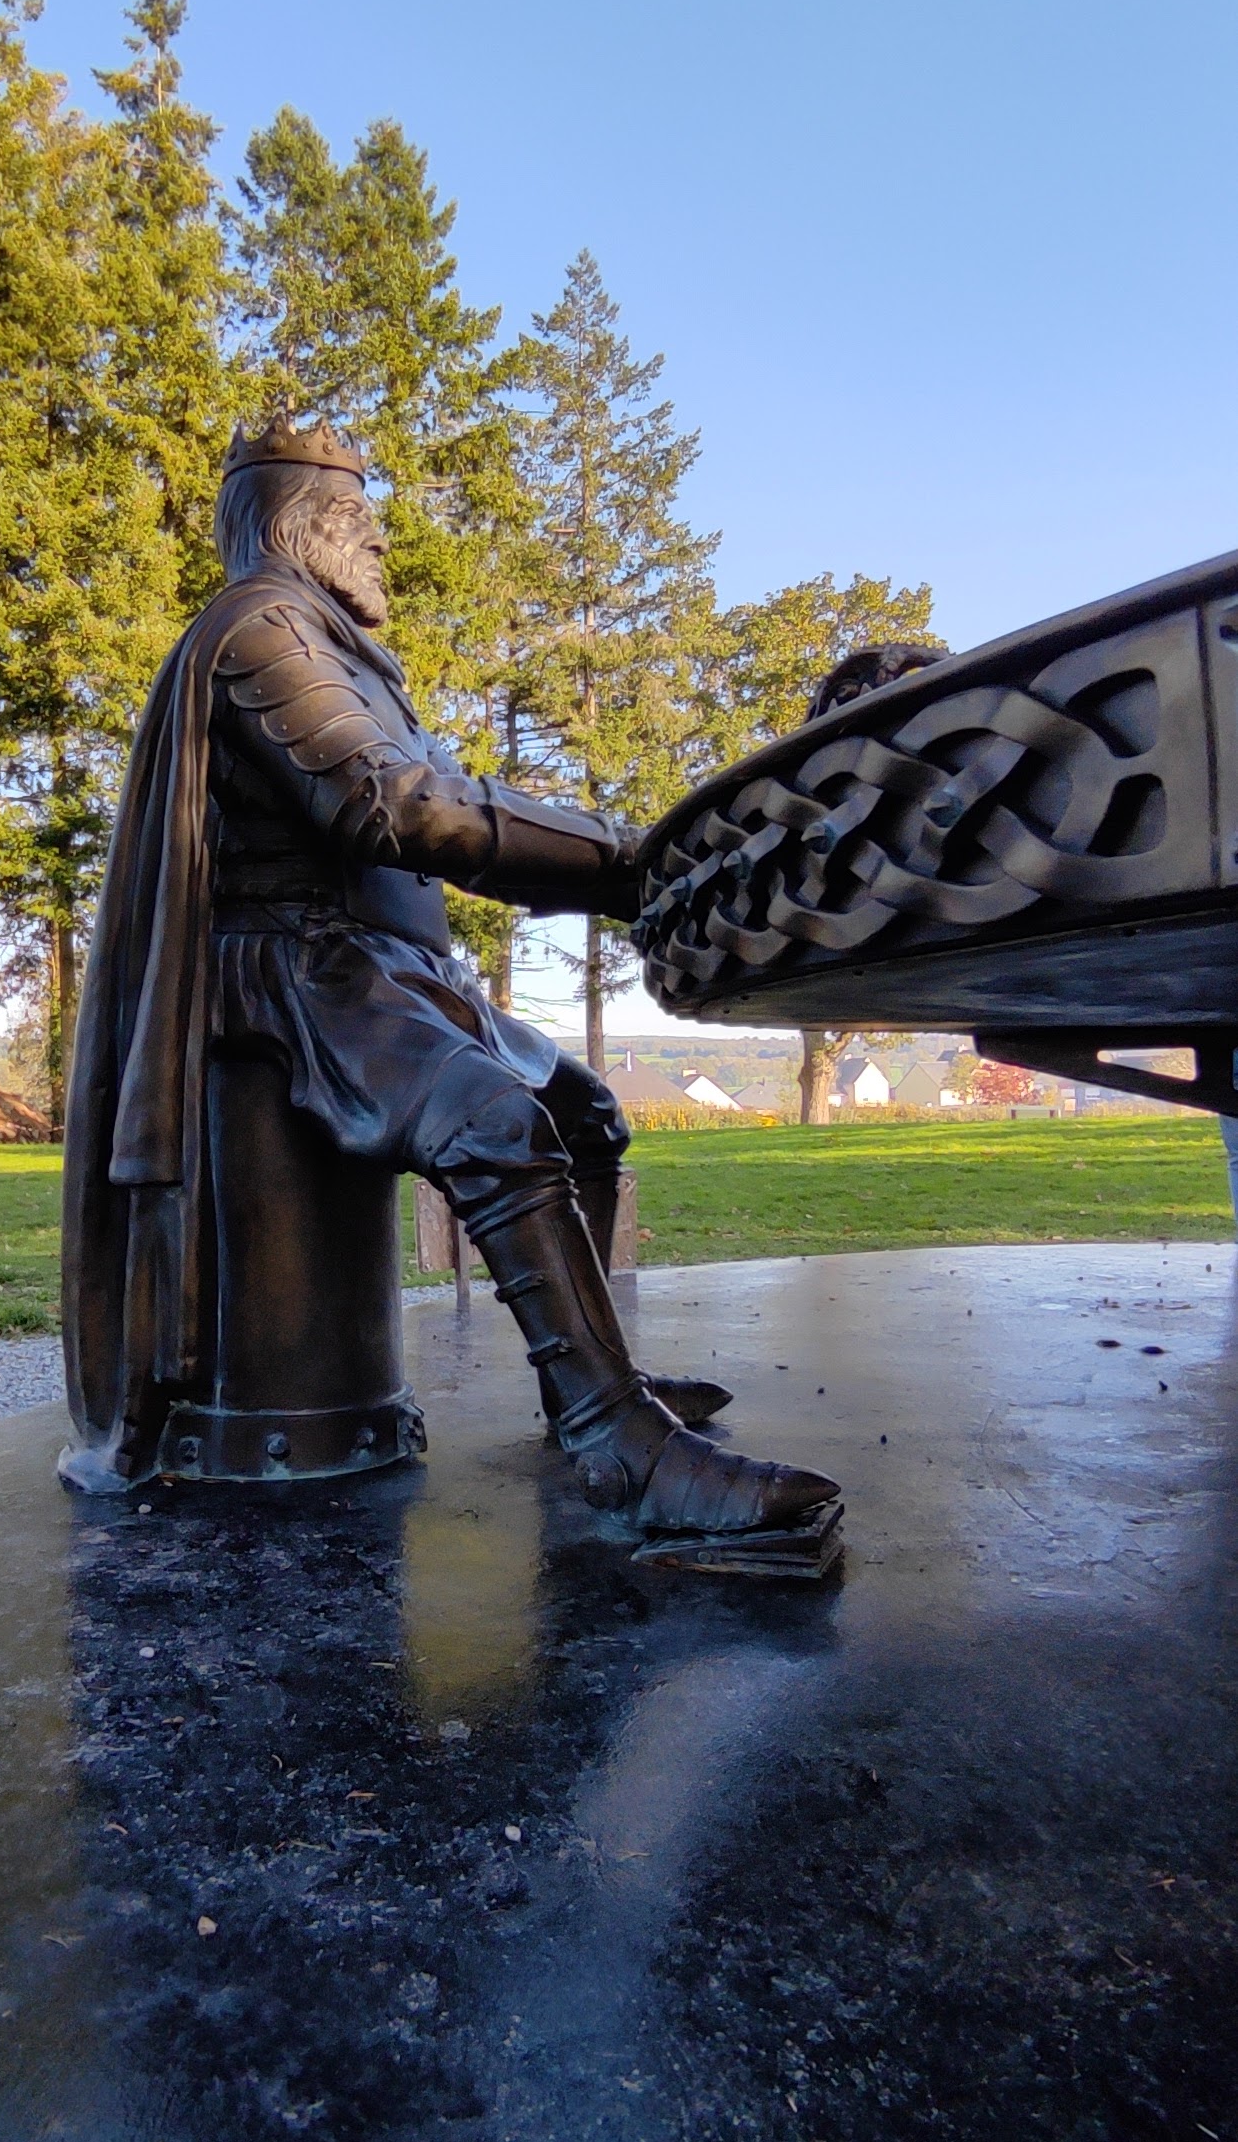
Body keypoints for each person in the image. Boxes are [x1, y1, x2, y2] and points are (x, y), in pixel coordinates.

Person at [60, 417, 838, 1545]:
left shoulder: (334, 647)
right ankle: (620, 1443)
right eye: (359, 522)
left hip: (385, 966)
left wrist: (626, 859)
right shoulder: (261, 631)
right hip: (290, 970)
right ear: (297, 525)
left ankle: (592, 1385)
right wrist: (631, 860)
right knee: (496, 1122)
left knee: (583, 1113)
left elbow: (444, 793)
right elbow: (392, 805)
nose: (380, 545)